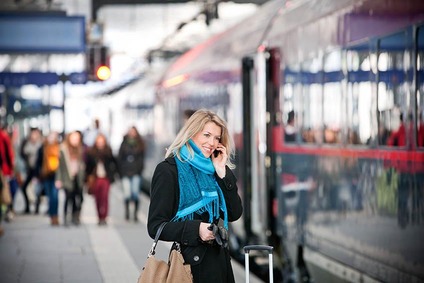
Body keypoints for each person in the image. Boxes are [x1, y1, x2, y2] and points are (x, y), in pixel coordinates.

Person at [147, 109, 243, 283]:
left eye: (216, 138)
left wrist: (223, 172)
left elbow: (234, 213)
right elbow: (155, 226)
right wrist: (196, 229)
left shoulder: (216, 169)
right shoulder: (169, 170)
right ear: (191, 133)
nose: (212, 142)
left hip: (219, 267)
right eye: (206, 135)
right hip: (187, 268)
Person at [85, 134, 117, 226]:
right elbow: (88, 167)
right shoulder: (91, 153)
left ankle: (104, 217)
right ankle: (99, 217)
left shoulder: (108, 152)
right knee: (97, 198)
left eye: (101, 141)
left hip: (105, 178)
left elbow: (114, 163)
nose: (100, 143)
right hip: (96, 179)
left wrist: (113, 174)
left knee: (105, 197)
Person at [55, 131, 85, 226]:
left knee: (78, 198)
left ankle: (75, 216)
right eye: (73, 138)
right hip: (67, 177)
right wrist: (58, 179)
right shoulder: (63, 149)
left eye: (77, 138)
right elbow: (59, 167)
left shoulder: (81, 150)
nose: (75, 140)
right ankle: (65, 217)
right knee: (68, 198)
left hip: (78, 178)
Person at [117, 126, 145, 221]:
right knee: (127, 194)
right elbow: (119, 158)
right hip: (125, 172)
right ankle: (127, 212)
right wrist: (120, 171)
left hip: (136, 172)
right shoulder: (124, 143)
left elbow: (142, 158)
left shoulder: (140, 144)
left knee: (136, 193)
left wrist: (139, 169)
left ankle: (135, 214)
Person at [37, 132, 60, 225]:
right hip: (46, 176)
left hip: (56, 176)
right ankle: (51, 215)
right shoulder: (42, 148)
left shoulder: (59, 148)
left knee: (55, 197)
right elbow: (38, 162)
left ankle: (55, 215)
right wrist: (39, 174)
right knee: (50, 197)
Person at [19, 127, 43, 213]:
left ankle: (37, 207)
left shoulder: (41, 144)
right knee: (24, 187)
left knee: (38, 189)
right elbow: (22, 153)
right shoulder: (26, 143)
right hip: (30, 169)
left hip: (38, 171)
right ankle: (27, 206)